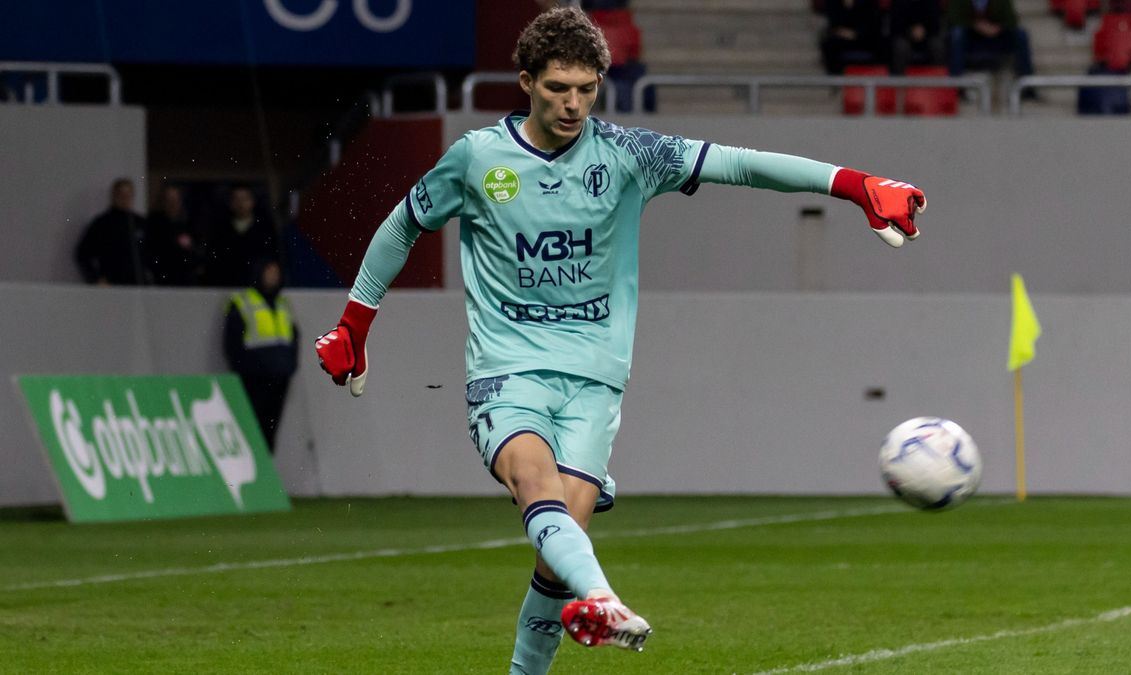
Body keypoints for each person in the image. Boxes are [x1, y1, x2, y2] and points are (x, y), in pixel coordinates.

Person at [313, 7, 926, 673]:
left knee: (558, 556)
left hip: (596, 381)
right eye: (557, 88)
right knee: (534, 482)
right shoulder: (478, 157)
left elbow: (740, 164)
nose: (572, 104)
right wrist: (354, 325)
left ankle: (564, 625)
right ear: (526, 82)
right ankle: (603, 599)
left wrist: (857, 185)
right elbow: (403, 224)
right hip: (508, 370)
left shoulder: (629, 154)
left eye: (586, 89)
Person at [224, 258, 299, 452]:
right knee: (251, 427)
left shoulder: (282, 304)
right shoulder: (243, 302)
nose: (273, 276)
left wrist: (290, 365)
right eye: (269, 271)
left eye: (276, 272)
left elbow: (293, 336)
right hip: (254, 379)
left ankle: (266, 464)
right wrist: (247, 368)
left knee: (270, 430)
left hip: (279, 377)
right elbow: (233, 341)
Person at [74, 178, 151, 285]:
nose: (124, 198)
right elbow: (82, 254)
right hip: (112, 285)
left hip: (138, 284)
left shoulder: (140, 223)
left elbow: (150, 253)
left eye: (128, 195)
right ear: (114, 196)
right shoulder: (102, 223)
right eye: (121, 194)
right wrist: (95, 279)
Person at [206, 186, 280, 287]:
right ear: (230, 203)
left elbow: (272, 258)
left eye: (245, 199)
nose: (241, 204)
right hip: (227, 285)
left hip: (257, 286)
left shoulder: (265, 229)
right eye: (236, 199)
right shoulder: (221, 229)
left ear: (253, 201)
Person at [946, 0, 1035, 84]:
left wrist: (995, 28)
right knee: (957, 34)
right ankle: (956, 84)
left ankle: (1027, 84)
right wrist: (976, 25)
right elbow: (953, 19)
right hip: (971, 41)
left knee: (1021, 34)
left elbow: (1012, 21)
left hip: (996, 39)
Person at [146, 183, 203, 286]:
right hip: (161, 279)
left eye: (175, 199)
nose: (172, 203)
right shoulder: (154, 224)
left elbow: (198, 250)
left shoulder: (190, 224)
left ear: (180, 201)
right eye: (168, 200)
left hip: (187, 279)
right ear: (163, 202)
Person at [820, 0, 887, 75]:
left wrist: (855, 34)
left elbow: (872, 24)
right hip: (841, 40)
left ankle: (881, 75)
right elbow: (833, 25)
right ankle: (835, 76)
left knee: (882, 43)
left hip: (865, 39)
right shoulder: (833, 2)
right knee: (829, 44)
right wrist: (844, 33)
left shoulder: (869, 3)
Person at [888, 0, 945, 74]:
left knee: (938, 46)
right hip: (905, 36)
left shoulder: (932, 2)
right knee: (900, 47)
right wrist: (910, 31)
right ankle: (899, 79)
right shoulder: (899, 2)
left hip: (928, 36)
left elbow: (936, 22)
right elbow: (895, 24)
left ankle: (937, 79)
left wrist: (924, 31)